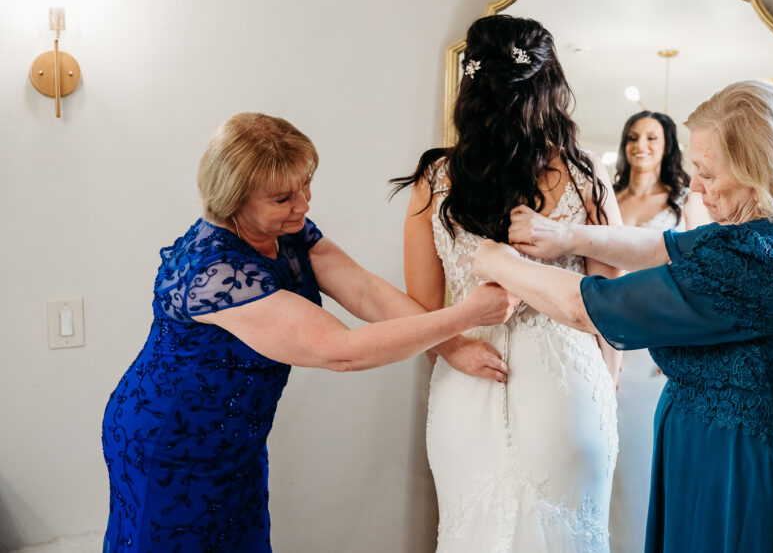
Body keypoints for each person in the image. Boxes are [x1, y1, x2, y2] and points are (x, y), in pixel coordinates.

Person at [473, 80, 773, 552]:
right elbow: (665, 246)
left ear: (761, 171)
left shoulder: (756, 263)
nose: (694, 186)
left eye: (708, 174)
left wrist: (502, 264)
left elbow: (587, 305)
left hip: (755, 486)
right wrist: (571, 237)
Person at [100, 113, 518, 553]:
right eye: (283, 198)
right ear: (233, 201)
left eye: (306, 185)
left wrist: (451, 347)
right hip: (168, 440)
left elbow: (363, 290)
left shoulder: (287, 232)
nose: (303, 204)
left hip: (235, 438)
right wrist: (464, 316)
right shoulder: (214, 271)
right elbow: (342, 351)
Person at [391, 14, 622, 552]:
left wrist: (451, 350)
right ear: (550, 87)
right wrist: (605, 389)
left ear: (470, 86)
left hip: (470, 374)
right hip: (568, 384)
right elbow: (610, 310)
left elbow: (419, 311)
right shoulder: (585, 178)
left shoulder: (434, 182)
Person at [608, 110, 710, 553]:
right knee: (605, 459)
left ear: (667, 144)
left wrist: (680, 348)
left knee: (644, 459)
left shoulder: (684, 202)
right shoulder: (608, 197)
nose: (640, 145)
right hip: (604, 335)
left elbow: (702, 279)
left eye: (651, 137)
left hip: (656, 350)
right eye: (633, 137)